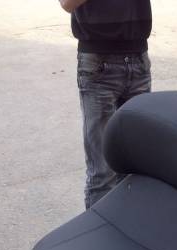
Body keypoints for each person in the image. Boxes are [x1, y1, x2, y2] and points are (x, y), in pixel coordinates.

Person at [59, 0, 153, 208]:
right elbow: (67, 4)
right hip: (98, 65)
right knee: (102, 175)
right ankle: (101, 228)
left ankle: (132, 225)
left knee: (137, 168)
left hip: (139, 60)